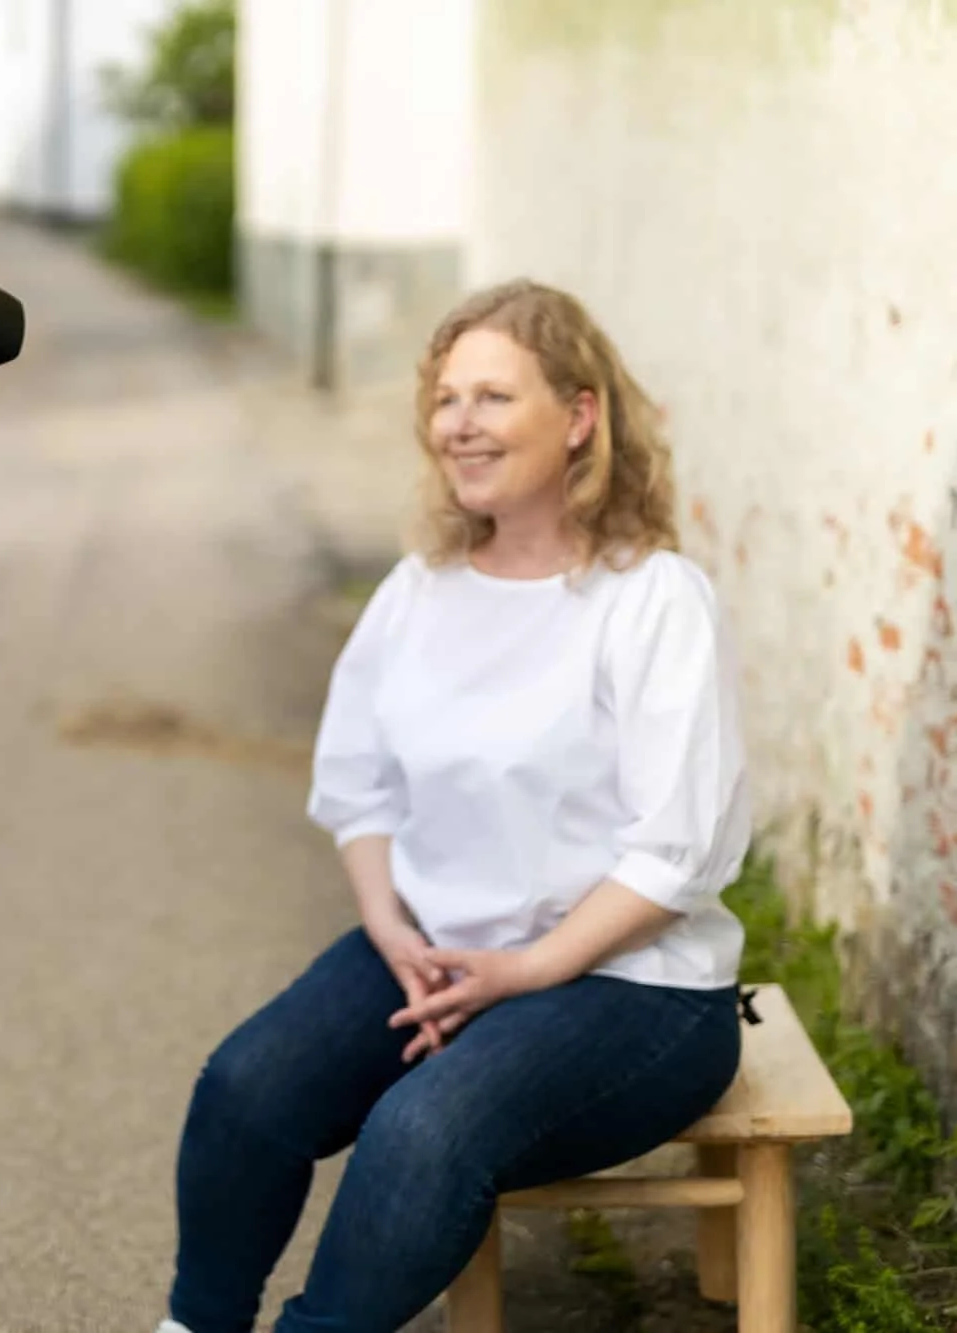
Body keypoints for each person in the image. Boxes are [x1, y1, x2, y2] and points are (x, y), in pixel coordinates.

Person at [156, 280, 750, 1333]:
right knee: (248, 1086)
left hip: (631, 988)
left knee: (421, 1131)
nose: (458, 425)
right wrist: (389, 929)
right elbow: (357, 782)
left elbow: (676, 853)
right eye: (444, 399)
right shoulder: (420, 588)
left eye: (491, 397)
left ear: (576, 417)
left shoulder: (651, 599)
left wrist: (523, 970)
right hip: (432, 949)